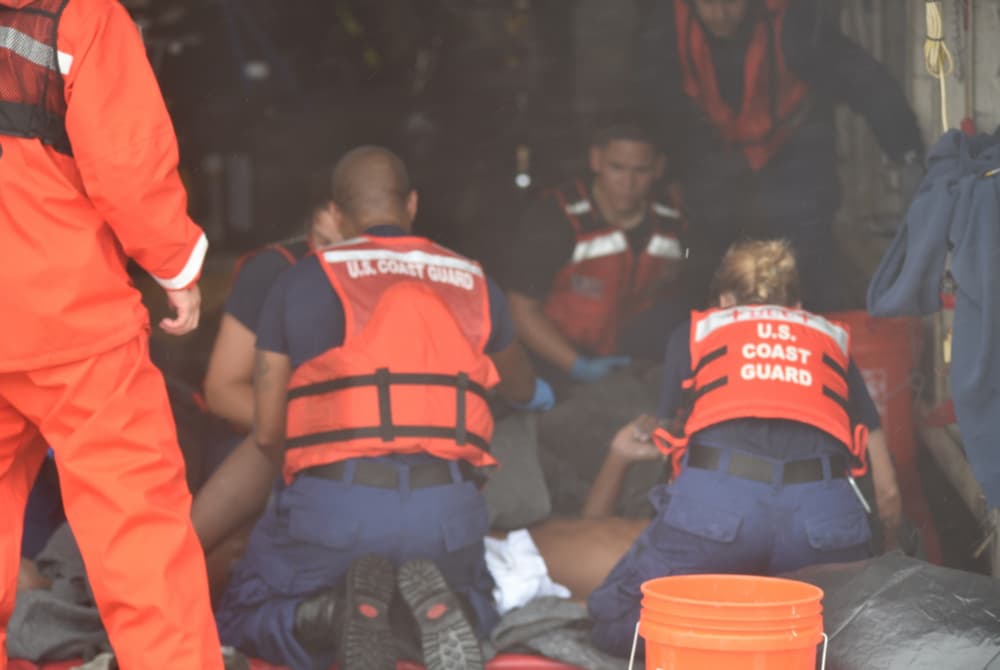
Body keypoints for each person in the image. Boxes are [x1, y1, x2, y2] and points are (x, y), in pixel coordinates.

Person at [192, 146, 545, 670]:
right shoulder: (474, 279)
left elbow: (268, 434)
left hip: (336, 513)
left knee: (243, 606)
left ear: (334, 213)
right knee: (476, 595)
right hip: (445, 514)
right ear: (413, 204)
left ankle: (326, 615)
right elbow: (520, 387)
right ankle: (427, 616)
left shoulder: (300, 278)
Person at [0, 1, 223, 668]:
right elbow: (126, 159)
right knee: (138, 533)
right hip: (74, 322)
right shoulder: (82, 16)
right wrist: (175, 263)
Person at [587, 239, 902, 657]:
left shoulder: (696, 333)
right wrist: (888, 564)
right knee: (844, 642)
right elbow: (887, 493)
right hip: (823, 521)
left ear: (724, 300)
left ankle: (726, 652)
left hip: (715, 511)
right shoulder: (829, 343)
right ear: (798, 304)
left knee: (616, 617)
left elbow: (672, 448)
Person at [633, 0, 924, 311]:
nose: (719, 13)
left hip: (793, 150)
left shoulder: (793, 21)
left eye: (730, 3)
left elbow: (865, 81)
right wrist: (671, 176)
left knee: (808, 257)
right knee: (705, 259)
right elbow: (656, 108)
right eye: (707, 3)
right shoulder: (668, 28)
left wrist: (906, 155)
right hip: (715, 153)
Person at [505, 118, 687, 387]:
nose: (628, 182)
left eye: (641, 170)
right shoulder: (555, 218)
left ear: (659, 168)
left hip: (635, 368)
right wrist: (577, 366)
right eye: (617, 168)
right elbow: (519, 309)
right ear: (596, 160)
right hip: (557, 365)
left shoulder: (673, 221)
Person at [204, 198, 343, 432]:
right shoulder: (275, 269)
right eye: (325, 243)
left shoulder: (390, 274)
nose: (331, 258)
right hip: (282, 437)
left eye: (348, 245)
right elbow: (221, 391)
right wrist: (316, 430)